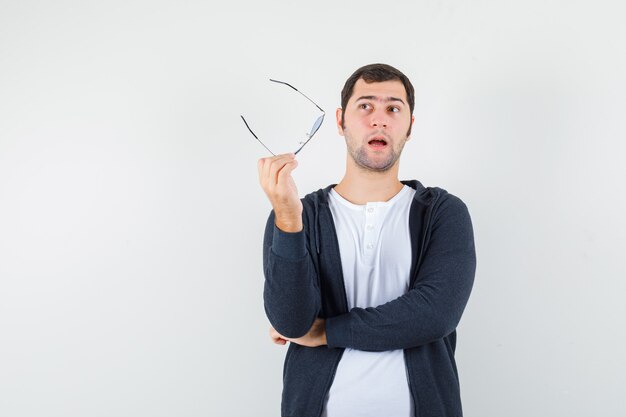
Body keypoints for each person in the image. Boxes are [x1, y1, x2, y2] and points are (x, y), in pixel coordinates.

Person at [257, 63, 476, 417]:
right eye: (365, 106)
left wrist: (326, 331)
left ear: (409, 126)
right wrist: (287, 217)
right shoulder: (298, 216)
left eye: (393, 108)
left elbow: (435, 314)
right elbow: (292, 323)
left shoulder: (443, 213)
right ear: (341, 121)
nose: (379, 120)